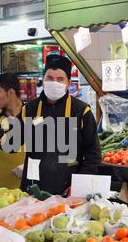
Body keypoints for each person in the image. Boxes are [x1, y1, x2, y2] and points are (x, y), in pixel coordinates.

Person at [19, 54, 101, 195]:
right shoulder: (29, 109)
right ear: (43, 80)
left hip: (67, 189)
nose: (54, 83)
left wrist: (79, 184)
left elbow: (93, 155)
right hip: (32, 188)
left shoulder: (81, 111)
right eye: (50, 78)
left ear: (68, 83)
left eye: (60, 79)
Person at [0, 73, 25, 189]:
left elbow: (45, 150)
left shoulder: (33, 114)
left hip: (25, 188)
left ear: (10, 93)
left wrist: (28, 166)